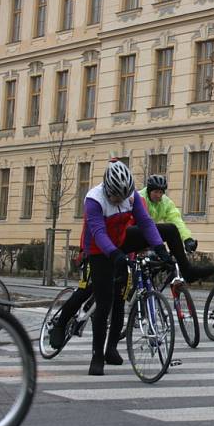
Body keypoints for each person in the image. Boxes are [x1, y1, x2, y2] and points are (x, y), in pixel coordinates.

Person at [68, 160, 173, 376]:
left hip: (119, 243)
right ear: (107, 188)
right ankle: (97, 356)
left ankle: (111, 349)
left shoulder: (131, 196)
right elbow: (97, 231)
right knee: (104, 301)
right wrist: (114, 254)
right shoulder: (94, 199)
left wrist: (161, 250)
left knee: (119, 300)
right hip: (98, 249)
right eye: (115, 196)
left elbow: (145, 223)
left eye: (123, 197)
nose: (119, 201)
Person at [140, 174, 214, 283]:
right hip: (137, 231)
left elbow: (176, 220)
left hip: (151, 234)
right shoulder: (140, 198)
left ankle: (187, 271)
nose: (158, 195)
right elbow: (140, 223)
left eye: (161, 192)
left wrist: (187, 239)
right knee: (167, 231)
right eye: (155, 192)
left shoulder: (165, 202)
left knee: (172, 229)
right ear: (149, 191)